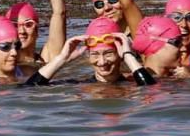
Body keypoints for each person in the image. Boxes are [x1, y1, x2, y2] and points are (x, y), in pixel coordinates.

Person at [25, 18, 157, 86]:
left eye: (108, 53)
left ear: (119, 53)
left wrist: (128, 56)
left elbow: (150, 90)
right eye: (95, 54)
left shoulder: (133, 82)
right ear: (88, 55)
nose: (102, 62)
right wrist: (61, 59)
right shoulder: (80, 86)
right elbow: (30, 89)